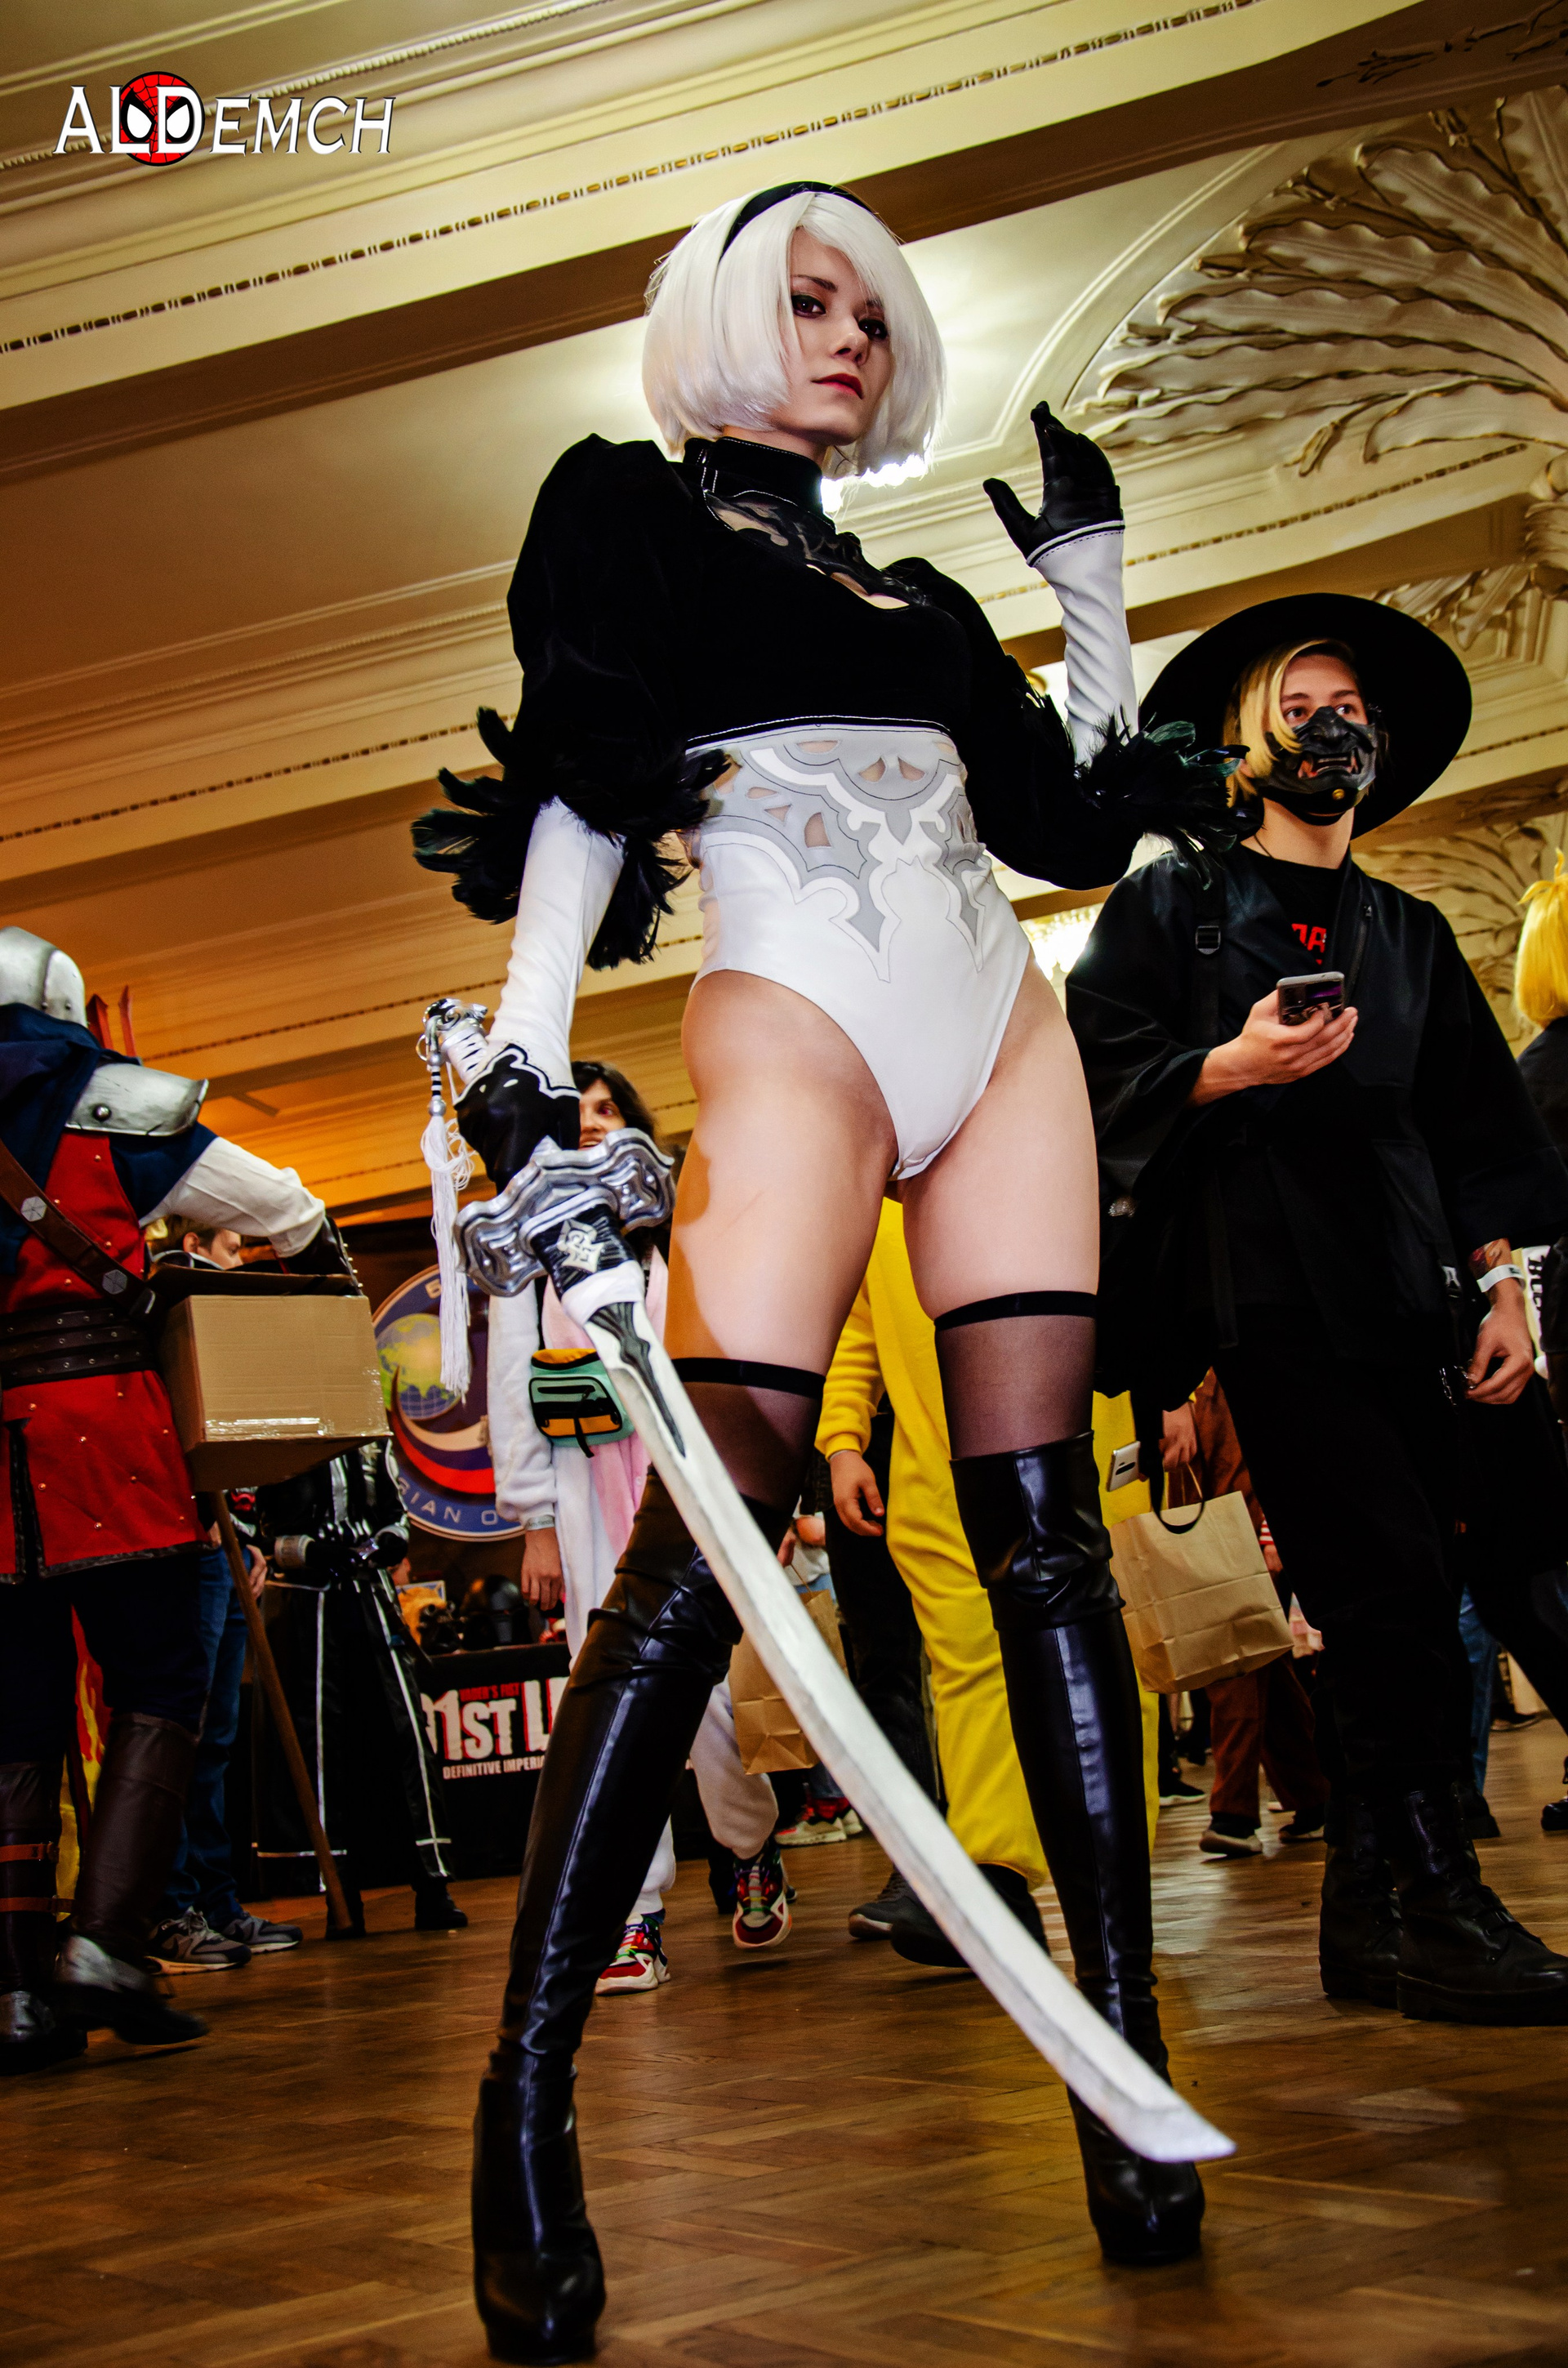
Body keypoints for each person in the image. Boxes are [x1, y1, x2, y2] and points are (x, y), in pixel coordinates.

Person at [415, 180, 1236, 2357]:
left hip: (999, 1023)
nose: (851, 331)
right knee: (709, 1550)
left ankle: (1121, 2064)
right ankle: (524, 2105)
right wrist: (524, 1046)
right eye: (806, 298)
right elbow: (584, 783)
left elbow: (1073, 823)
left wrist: (1091, 587)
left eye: (871, 306)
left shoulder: (923, 593)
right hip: (797, 1017)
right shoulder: (624, 509)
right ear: (719, 316)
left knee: (1048, 1543)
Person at [1067, 594, 1568, 2024]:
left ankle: (1368, 1913)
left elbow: (1471, 1130)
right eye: (1299, 707)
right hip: (1272, 1298)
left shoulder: (1410, 931)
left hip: (1420, 1293)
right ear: (1243, 742)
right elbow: (1091, 1073)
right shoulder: (1174, 907)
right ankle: (1441, 1907)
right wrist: (1226, 1066)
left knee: (1449, 1571)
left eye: (1348, 708)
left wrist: (1504, 1287)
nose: (1328, 728)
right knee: (1387, 1591)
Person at [0, 925, 354, 2074]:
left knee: (14, 1721)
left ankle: (17, 1994)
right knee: (158, 1684)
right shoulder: (111, 1105)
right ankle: (105, 1946)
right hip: (108, 1433)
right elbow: (287, 1211)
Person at [488, 1059, 787, 1987]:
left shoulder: (684, 1227)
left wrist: (764, 1497)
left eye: (607, 1109)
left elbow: (738, 1362)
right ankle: (634, 1912)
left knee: (704, 1693)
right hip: (586, 1497)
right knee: (607, 1701)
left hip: (687, 1488)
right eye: (575, 1112)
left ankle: (750, 1841)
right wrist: (535, 1519)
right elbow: (512, 1388)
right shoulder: (526, 1238)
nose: (590, 1123)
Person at [147, 1218, 303, 1972]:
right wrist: (197, 1514)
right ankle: (170, 1905)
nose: (242, 1261)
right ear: (197, 1244)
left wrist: (250, 1535)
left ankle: (214, 1899)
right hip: (186, 1544)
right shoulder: (165, 1306)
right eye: (234, 1248)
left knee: (215, 1739)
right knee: (180, 1732)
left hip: (229, 1542)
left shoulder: (223, 1318)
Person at [245, 1443, 467, 1935]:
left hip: (370, 1599)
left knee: (404, 1737)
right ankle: (339, 1894)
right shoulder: (271, 1430)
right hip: (303, 1611)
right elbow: (250, 1530)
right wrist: (307, 1551)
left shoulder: (370, 1434)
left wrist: (389, 1540)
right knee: (320, 1749)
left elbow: (394, 1511)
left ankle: (431, 1885)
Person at [1159, 1376, 1327, 1859]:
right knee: (1259, 1658)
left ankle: (1232, 1813)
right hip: (1212, 1527)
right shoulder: (1194, 1381)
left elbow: (1272, 1439)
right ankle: (1316, 1797)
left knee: (1235, 1661)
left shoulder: (1216, 1374)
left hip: (1244, 1527)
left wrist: (1273, 1532)